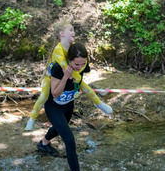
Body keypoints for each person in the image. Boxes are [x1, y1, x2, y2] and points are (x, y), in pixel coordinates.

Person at [36, 43, 112, 171]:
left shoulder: (82, 65)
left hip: (69, 104)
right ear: (68, 60)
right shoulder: (58, 68)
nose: (80, 67)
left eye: (83, 63)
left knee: (61, 126)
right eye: (77, 64)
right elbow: (55, 93)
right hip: (54, 106)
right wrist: (65, 77)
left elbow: (81, 78)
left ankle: (43, 143)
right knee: (70, 141)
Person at [25, 20, 112, 130]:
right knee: (43, 97)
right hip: (52, 77)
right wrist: (78, 76)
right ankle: (32, 119)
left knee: (88, 89)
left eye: (74, 30)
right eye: (70, 30)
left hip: (69, 75)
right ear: (62, 34)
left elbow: (80, 63)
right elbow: (64, 67)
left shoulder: (72, 47)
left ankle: (99, 104)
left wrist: (79, 72)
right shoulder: (58, 49)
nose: (74, 32)